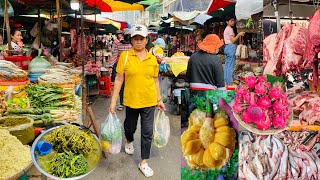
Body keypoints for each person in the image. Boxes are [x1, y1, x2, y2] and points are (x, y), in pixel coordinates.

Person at [109, 24, 166, 178]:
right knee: (130, 127)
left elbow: (155, 81)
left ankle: (144, 162)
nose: (139, 41)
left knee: (147, 132)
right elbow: (119, 79)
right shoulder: (125, 56)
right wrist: (113, 102)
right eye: (136, 38)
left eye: (142, 38)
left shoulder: (152, 59)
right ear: (132, 40)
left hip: (149, 101)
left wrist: (159, 99)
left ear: (147, 40)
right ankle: (129, 140)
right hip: (131, 101)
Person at [184, 34, 225, 127]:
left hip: (193, 94)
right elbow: (220, 85)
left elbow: (187, 80)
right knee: (208, 123)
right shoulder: (216, 60)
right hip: (209, 97)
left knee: (194, 123)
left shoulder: (193, 57)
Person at [223, 16, 245, 86]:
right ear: (227, 22)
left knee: (227, 66)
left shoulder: (226, 29)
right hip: (230, 47)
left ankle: (226, 82)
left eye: (233, 20)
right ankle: (229, 83)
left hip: (227, 47)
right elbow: (233, 40)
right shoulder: (230, 29)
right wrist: (239, 34)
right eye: (231, 21)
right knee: (230, 66)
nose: (233, 22)